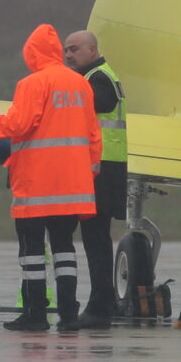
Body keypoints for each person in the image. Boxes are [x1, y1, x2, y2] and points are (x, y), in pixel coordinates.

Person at [0, 24, 102, 333]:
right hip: (73, 188)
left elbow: (16, 125)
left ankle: (35, 313)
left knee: (32, 252)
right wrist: (89, 172)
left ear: (32, 54)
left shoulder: (32, 83)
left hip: (38, 185)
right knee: (64, 249)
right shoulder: (80, 84)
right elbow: (93, 135)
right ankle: (69, 315)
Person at [60, 29, 126, 326]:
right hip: (102, 167)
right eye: (66, 50)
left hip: (101, 169)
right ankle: (106, 301)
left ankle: (100, 306)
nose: (69, 55)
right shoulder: (95, 77)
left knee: (95, 239)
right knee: (96, 239)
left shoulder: (98, 78)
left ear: (92, 50)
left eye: (74, 49)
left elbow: (102, 102)